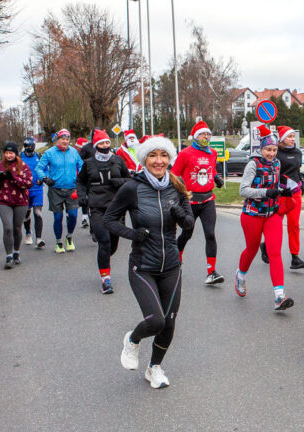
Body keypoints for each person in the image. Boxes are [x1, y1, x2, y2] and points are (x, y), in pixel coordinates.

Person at [104, 136, 193, 389]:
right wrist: (133, 234)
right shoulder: (132, 188)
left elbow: (189, 224)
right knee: (156, 321)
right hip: (143, 265)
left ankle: (154, 367)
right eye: (153, 155)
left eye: (163, 155)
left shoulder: (177, 185)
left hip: (171, 265)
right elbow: (109, 219)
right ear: (144, 159)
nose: (158, 161)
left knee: (169, 322)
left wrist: (180, 215)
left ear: (169, 159)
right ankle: (132, 340)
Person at [234, 125, 296, 310]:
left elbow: (275, 185)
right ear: (261, 149)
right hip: (252, 214)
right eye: (268, 149)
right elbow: (243, 190)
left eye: (274, 150)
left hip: (272, 214)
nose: (271, 153)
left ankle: (279, 296)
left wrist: (285, 190)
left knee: (274, 252)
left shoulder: (277, 163)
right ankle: (240, 276)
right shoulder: (253, 164)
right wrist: (265, 193)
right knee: (252, 249)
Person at [76, 130, 130, 294]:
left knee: (112, 244)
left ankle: (104, 259)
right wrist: (82, 196)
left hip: (116, 208)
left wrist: (119, 181)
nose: (105, 146)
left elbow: (129, 179)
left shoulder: (118, 160)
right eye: (101, 143)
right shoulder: (89, 163)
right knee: (104, 241)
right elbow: (80, 181)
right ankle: (106, 280)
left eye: (107, 143)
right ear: (96, 146)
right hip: (97, 207)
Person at [173, 120, 225, 284]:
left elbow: (211, 168)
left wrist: (216, 177)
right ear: (195, 136)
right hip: (190, 201)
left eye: (208, 134)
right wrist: (179, 194)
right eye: (203, 134)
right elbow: (174, 174)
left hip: (208, 200)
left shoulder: (212, 153)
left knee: (210, 234)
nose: (206, 137)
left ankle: (211, 272)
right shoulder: (185, 153)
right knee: (186, 233)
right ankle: (176, 260)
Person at [259, 125, 304, 269]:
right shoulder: (275, 152)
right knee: (276, 225)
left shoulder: (298, 152)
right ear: (282, 138)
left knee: (294, 225)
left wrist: (301, 182)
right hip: (279, 193)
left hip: (294, 193)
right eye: (289, 136)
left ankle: (295, 257)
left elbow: (296, 170)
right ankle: (267, 247)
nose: (292, 139)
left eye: (293, 136)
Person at [35, 128, 84, 254]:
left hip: (72, 189)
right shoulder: (49, 153)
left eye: (67, 139)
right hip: (55, 189)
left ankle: (69, 237)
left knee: (73, 215)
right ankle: (58, 242)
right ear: (57, 140)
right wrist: (45, 178)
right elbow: (39, 168)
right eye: (62, 139)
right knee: (58, 217)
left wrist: (81, 179)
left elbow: (82, 166)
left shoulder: (74, 152)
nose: (65, 141)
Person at [0, 142, 33, 269]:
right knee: (8, 227)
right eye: (7, 153)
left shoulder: (23, 166)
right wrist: (0, 179)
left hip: (20, 201)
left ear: (16, 154)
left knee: (17, 228)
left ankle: (16, 252)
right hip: (4, 201)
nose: (9, 155)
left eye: (11, 153)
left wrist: (13, 178)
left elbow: (28, 183)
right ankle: (8, 256)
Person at [20, 137, 46, 249]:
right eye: (28, 146)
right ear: (25, 147)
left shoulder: (39, 156)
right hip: (24, 190)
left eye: (32, 146)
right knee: (26, 214)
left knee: (38, 213)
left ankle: (39, 239)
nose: (30, 148)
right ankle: (28, 233)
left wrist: (42, 178)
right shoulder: (20, 157)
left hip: (37, 189)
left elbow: (45, 169)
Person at [76, 136, 95, 228]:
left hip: (90, 178)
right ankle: (84, 216)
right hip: (80, 179)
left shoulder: (92, 149)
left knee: (90, 200)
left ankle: (88, 219)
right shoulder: (76, 153)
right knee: (84, 199)